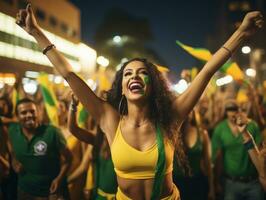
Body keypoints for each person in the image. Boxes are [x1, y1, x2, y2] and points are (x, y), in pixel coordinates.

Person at [16, 4, 263, 199]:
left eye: (143, 72)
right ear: (122, 88)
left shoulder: (170, 118)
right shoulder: (108, 118)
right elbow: (69, 74)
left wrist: (240, 32)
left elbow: (207, 71)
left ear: (153, 85)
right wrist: (36, 32)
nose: (135, 76)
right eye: (128, 74)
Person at [8, 98, 72, 199]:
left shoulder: (52, 132)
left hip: (49, 194)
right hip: (23, 192)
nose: (29, 115)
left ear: (38, 113)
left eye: (32, 111)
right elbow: (9, 145)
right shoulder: (12, 131)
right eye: (24, 112)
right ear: (17, 116)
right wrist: (13, 159)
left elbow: (68, 159)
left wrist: (59, 179)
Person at [212, 100, 265, 200]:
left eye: (235, 109)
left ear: (240, 109)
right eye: (229, 109)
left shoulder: (252, 125)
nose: (232, 112)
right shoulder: (220, 129)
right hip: (231, 182)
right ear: (225, 111)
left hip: (253, 182)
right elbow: (217, 158)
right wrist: (216, 182)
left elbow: (260, 154)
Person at [68, 94, 118, 200]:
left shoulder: (123, 138)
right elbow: (73, 129)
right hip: (99, 196)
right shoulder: (97, 139)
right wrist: (73, 106)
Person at [173, 111, 214, 200]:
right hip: (176, 183)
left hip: (197, 182)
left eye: (190, 110)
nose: (188, 113)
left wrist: (212, 188)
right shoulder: (172, 134)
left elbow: (208, 163)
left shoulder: (202, 133)